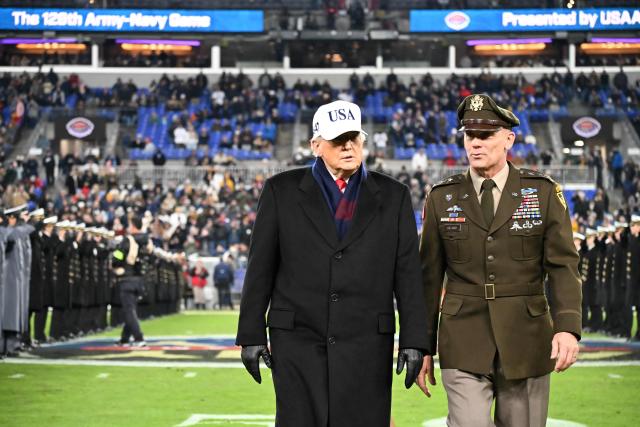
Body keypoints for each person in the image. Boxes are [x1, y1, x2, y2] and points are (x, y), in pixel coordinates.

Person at [236, 100, 429, 426]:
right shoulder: (279, 191)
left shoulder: (394, 195)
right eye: (339, 140)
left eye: (354, 138)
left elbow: (408, 273)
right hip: (297, 337)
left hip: (366, 340)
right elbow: (260, 267)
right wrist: (251, 333)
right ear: (316, 145)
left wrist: (414, 339)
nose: (348, 146)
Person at [418, 94, 582, 427]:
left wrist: (567, 327)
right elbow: (428, 278)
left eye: (486, 135)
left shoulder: (543, 193)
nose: (475, 144)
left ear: (508, 139)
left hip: (527, 337)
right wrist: (421, 344)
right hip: (463, 338)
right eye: (469, 136)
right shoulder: (440, 198)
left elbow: (563, 266)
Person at [112, 216, 152, 347]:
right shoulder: (147, 240)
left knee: (129, 311)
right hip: (140, 280)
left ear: (134, 226)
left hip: (127, 279)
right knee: (131, 310)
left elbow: (117, 258)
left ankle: (139, 338)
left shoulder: (128, 240)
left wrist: (116, 252)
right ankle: (124, 338)